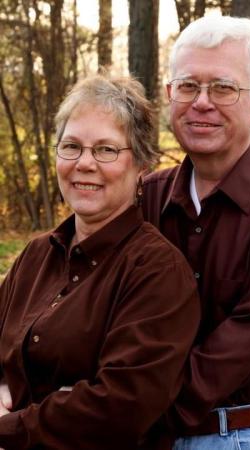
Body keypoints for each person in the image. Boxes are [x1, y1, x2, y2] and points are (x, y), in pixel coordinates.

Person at [0, 74, 200, 449]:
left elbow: (121, 407)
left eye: (106, 150)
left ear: (141, 165)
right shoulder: (36, 256)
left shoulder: (157, 272)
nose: (84, 164)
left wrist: (13, 427)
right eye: (71, 146)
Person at [142, 14, 250, 450]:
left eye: (224, 88)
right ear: (171, 95)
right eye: (188, 86)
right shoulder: (144, 199)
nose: (202, 102)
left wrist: (121, 409)